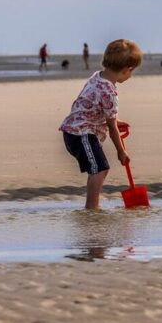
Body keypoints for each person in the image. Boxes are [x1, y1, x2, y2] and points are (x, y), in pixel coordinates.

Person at [59, 39, 142, 209]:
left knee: (100, 168)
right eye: (132, 72)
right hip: (80, 133)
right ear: (127, 70)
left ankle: (93, 205)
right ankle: (92, 208)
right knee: (99, 169)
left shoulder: (97, 76)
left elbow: (93, 105)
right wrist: (121, 151)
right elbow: (111, 128)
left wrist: (115, 121)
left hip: (77, 130)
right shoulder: (110, 92)